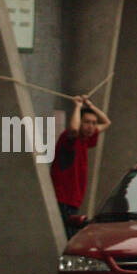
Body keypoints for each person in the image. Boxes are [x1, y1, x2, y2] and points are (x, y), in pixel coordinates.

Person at [51, 93, 112, 237]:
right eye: (87, 122)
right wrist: (78, 106)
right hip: (63, 198)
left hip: (74, 199)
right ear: (80, 122)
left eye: (93, 123)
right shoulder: (69, 139)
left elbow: (107, 122)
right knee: (68, 237)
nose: (91, 126)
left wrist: (90, 106)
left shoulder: (86, 140)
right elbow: (73, 128)